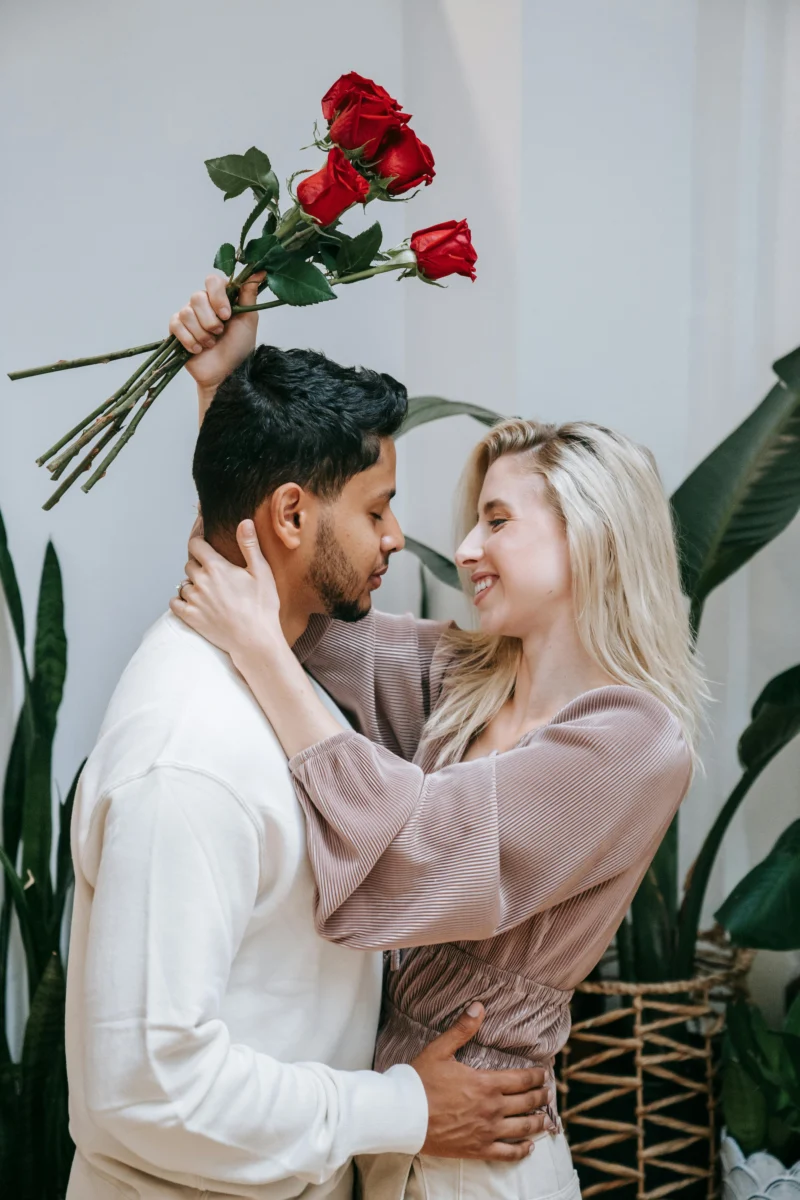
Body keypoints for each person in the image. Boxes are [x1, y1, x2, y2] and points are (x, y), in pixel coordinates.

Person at [169, 275, 707, 1200]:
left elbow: (419, 852)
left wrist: (262, 658)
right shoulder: (465, 673)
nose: (461, 548)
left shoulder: (637, 741)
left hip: (483, 1155)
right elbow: (293, 593)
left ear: (591, 539)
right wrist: (229, 390)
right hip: (398, 1115)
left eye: (497, 521)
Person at [64, 273, 553, 1200]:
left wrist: (224, 387)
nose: (400, 538)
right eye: (376, 508)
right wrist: (404, 1108)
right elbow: (148, 1086)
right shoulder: (189, 749)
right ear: (292, 515)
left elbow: (231, 526)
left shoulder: (288, 678)